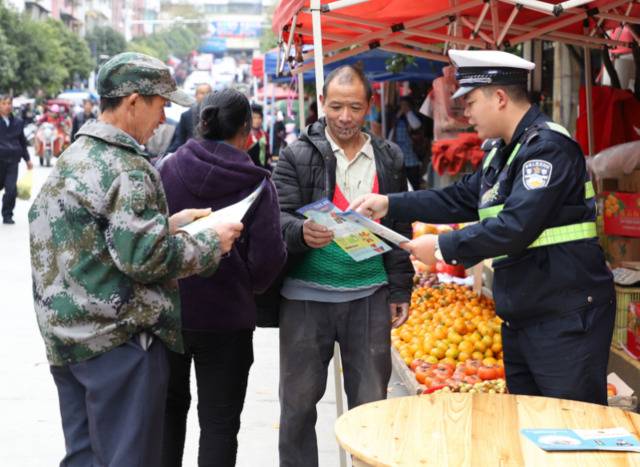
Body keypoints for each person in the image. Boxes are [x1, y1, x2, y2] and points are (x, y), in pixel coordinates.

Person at [351, 50, 615, 405]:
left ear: (500, 98)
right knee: (528, 428)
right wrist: (391, 203)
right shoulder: (502, 152)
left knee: (571, 429)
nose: (466, 113)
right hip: (524, 313)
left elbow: (514, 227)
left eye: (472, 102)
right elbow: (459, 198)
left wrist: (443, 248)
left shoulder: (547, 149)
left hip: (565, 317)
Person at [29, 52, 244, 467]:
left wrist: (168, 222)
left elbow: (98, 237)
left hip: (69, 341)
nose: (164, 118)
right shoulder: (127, 167)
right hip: (119, 344)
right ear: (132, 101)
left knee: (86, 457)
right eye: (161, 104)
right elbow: (146, 258)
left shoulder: (77, 156)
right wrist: (211, 242)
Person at [272, 65, 413, 467]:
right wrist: (301, 232)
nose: (345, 117)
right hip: (305, 300)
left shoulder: (388, 157)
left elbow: (399, 227)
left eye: (354, 107)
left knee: (371, 406)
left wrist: (400, 288)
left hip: (369, 296)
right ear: (322, 104)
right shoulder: (297, 154)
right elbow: (275, 220)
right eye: (335, 107)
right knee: (297, 408)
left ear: (369, 106)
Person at [159, 89, 287, 467]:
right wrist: (246, 286)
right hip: (228, 320)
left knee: (167, 416)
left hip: (170, 315)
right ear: (247, 131)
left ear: (201, 124)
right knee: (219, 423)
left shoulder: (166, 168)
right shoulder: (258, 182)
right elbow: (268, 258)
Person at [0, 94, 32, 224]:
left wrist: (27, 159)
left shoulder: (18, 122)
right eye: (4, 103)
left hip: (13, 161)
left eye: (9, 103)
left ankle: (7, 214)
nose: (7, 106)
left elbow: (22, 142)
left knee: (11, 189)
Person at [389, 96, 423, 189]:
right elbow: (390, 137)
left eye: (405, 105)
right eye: (401, 105)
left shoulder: (412, 117)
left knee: (415, 186)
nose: (403, 107)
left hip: (412, 159)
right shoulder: (397, 119)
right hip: (399, 160)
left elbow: (416, 126)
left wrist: (408, 112)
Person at [167, 83, 212, 153]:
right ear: (196, 96)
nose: (205, 96)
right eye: (202, 93)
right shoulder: (187, 116)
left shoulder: (218, 115)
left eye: (208, 93)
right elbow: (179, 141)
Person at [246, 103, 271, 169]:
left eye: (259, 117)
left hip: (263, 170)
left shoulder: (265, 135)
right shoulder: (245, 135)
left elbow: (268, 153)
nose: (257, 120)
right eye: (254, 118)